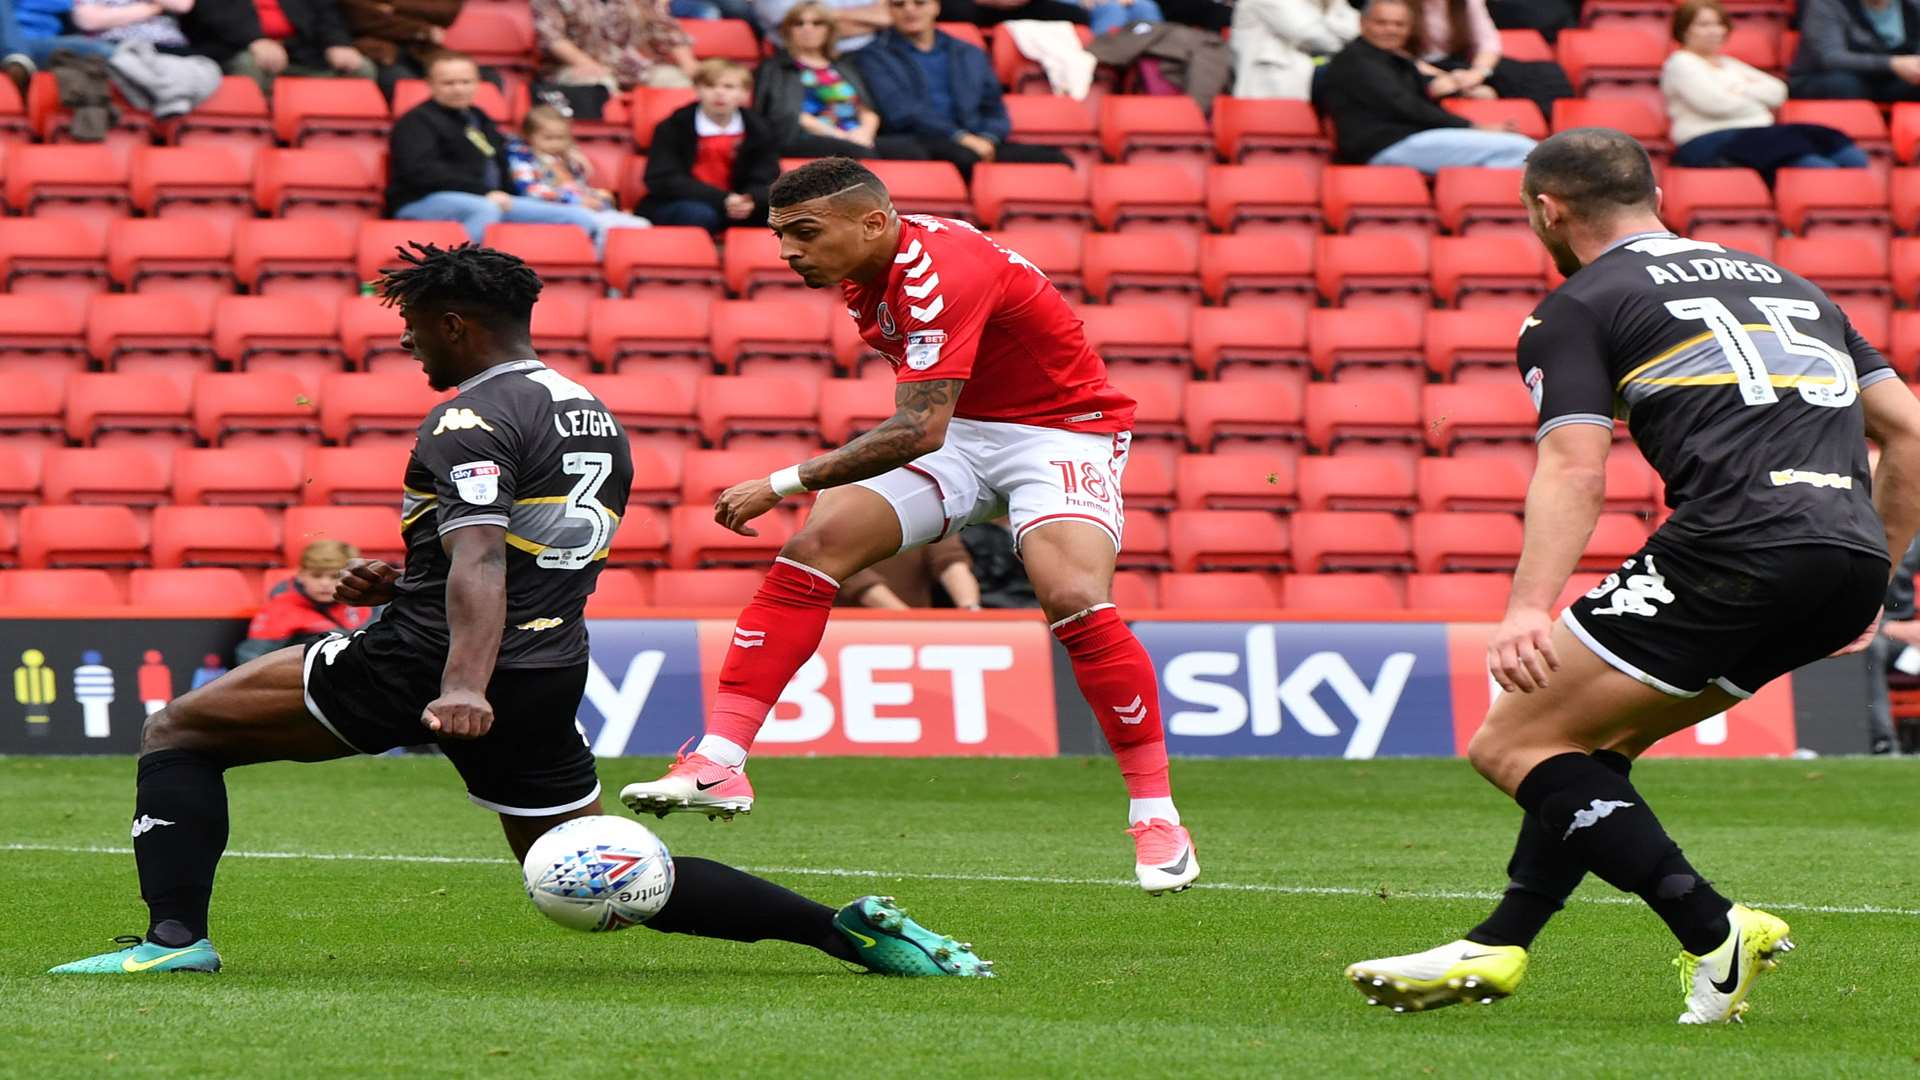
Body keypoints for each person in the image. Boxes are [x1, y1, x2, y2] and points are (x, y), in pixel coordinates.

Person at [48, 241, 992, 980]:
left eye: (416, 326)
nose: (409, 342)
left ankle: (174, 939)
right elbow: (528, 546)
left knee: (179, 728)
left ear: (457, 324)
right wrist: (411, 571)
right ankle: (847, 933)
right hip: (544, 668)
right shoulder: (588, 409)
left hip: (434, 662)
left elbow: (484, 552)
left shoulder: (467, 417)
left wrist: (458, 679)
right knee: (590, 869)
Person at [1342, 128, 1920, 1024]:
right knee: (1594, 749)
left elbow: (1575, 465)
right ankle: (1500, 942)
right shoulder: (1795, 287)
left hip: (1734, 544)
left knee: (1513, 744)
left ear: (1549, 209)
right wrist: (1872, 571)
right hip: (1843, 555)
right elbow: (1911, 434)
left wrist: (1527, 607)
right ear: (1650, 193)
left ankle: (1715, 926)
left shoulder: (1580, 303)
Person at [620, 158, 1199, 896]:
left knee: (1071, 595)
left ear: (872, 221)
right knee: (813, 550)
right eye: (780, 236)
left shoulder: (937, 272)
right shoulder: (869, 269)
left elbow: (917, 430)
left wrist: (782, 481)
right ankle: (719, 763)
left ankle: (1157, 817)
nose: (788, 252)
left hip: (1059, 432)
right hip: (966, 431)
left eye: (804, 234)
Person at [387, 51, 604, 246]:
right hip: (422, 201)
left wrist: (562, 154)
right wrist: (484, 192)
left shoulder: (478, 118)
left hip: (492, 198)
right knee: (485, 209)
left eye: (465, 82)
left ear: (477, 83)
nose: (458, 89)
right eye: (449, 83)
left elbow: (506, 154)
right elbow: (421, 172)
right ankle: (457, 276)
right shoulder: (415, 121)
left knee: (577, 217)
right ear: (430, 84)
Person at [854, 0, 1071, 179]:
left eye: (919, 3)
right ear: (889, 10)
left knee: (1058, 159)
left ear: (936, 6)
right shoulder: (873, 56)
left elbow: (994, 107)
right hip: (917, 139)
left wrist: (989, 138)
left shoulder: (969, 52)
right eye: (899, 4)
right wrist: (959, 137)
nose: (910, 10)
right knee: (965, 156)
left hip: (978, 140)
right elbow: (901, 111)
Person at [1320, 0, 1534, 172]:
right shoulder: (1355, 60)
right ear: (1363, 23)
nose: (1390, 30)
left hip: (1412, 141)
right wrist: (1474, 127)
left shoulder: (1397, 59)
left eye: (1399, 25)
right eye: (1382, 23)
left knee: (1519, 152)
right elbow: (1406, 106)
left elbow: (1425, 91)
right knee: (1521, 150)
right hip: (1386, 146)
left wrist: (1460, 86)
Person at [1664, 0, 1868, 175]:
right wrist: (1757, 102)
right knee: (1799, 151)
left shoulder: (1730, 65)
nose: (1714, 31)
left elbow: (1778, 91)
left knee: (1824, 135)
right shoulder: (1681, 63)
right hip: (1707, 142)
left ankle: (1852, 180)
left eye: (1719, 24)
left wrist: (1739, 90)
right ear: (1684, 29)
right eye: (1704, 24)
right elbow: (1715, 103)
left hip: (1756, 136)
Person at [754, 1, 907, 158]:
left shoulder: (845, 67)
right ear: (787, 31)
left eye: (817, 23)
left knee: (910, 150)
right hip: (805, 138)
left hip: (855, 137)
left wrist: (865, 134)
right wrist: (841, 136)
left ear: (829, 30)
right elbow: (788, 114)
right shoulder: (777, 68)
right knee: (859, 153)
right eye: (798, 23)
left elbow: (867, 110)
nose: (808, 28)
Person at [640, 58, 778, 231]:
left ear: (744, 93)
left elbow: (766, 176)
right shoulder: (673, 126)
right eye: (710, 86)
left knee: (782, 215)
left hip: (739, 204)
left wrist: (750, 199)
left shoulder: (760, 129)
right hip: (683, 202)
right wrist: (723, 198)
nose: (720, 93)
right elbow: (663, 179)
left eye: (729, 87)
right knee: (698, 214)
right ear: (697, 90)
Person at [508, 105, 655, 248]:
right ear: (528, 136)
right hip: (552, 212)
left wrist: (599, 197)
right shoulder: (523, 158)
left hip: (586, 209)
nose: (556, 144)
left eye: (562, 138)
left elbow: (578, 188)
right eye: (549, 138)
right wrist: (574, 201)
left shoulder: (567, 160)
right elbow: (531, 191)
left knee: (641, 226)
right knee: (604, 230)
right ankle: (602, 265)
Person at [1412, 0, 1569, 118]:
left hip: (1463, 67)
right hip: (1416, 68)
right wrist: (1446, 76)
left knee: (1544, 75)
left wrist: (1477, 74)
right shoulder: (1399, 5)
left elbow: (1488, 43)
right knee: (1441, 87)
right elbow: (1392, 53)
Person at [235, 540, 374, 664]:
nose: (325, 583)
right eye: (316, 576)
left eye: (335, 576)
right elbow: (251, 658)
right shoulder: (280, 609)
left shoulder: (370, 605)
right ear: (301, 575)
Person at [532, 0, 697, 91]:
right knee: (600, 84)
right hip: (576, 66)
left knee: (677, 81)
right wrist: (587, 64)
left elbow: (665, 27)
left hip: (632, 65)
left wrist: (688, 63)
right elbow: (552, 37)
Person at [1788, 0, 1920, 102]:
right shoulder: (1827, 4)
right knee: (1845, 86)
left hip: (1887, 80)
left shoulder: (1913, 7)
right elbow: (1830, 58)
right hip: (1824, 78)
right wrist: (1892, 64)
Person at [1229, 0, 1358, 100]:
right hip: (1271, 86)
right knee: (1355, 74)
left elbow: (1361, 28)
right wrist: (1355, 43)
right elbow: (1313, 37)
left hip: (1308, 78)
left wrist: (1332, 4)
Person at [338, 0, 459, 94]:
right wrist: (422, 30)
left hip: (425, 49)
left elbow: (446, 12)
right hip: (379, 51)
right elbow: (362, 18)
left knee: (464, 75)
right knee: (404, 86)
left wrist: (395, 6)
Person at [838, 533, 982, 609]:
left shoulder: (923, 503)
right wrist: (908, 621)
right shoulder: (833, 497)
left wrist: (970, 608)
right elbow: (853, 576)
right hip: (851, 634)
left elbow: (950, 561)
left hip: (913, 633)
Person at [755, 0, 889, 53]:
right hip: (802, 61)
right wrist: (870, 21)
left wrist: (835, 14)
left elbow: (888, 15)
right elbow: (812, 32)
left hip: (877, 45)